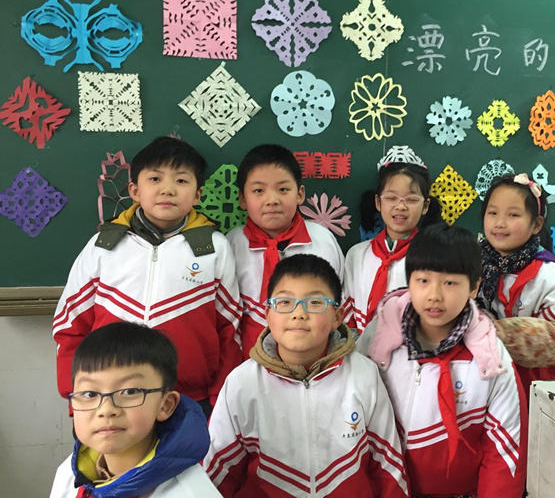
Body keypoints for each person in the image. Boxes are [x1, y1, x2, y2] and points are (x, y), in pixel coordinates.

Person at [52, 136, 241, 417]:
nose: (168, 189)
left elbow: (230, 331)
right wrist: (80, 397)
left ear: (198, 194)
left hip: (193, 401)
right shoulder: (103, 246)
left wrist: (220, 400)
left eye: (181, 180)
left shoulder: (214, 248)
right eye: (155, 179)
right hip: (110, 401)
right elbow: (70, 327)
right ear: (134, 190)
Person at [204, 254, 408, 497]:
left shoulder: (364, 375)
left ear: (337, 317)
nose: (298, 313)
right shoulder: (241, 383)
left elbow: (387, 465)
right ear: (268, 315)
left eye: (315, 302)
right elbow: (217, 473)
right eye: (284, 302)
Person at [359, 223, 526, 496]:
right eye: (423, 281)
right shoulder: (377, 341)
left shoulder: (490, 357)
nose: (434, 295)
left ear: (474, 287)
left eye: (449, 283)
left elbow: (503, 451)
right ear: (409, 281)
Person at [50, 322, 221, 497]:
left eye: (129, 392)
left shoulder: (190, 493)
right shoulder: (69, 475)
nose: (106, 409)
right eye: (89, 394)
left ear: (165, 405)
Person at [228, 144, 344, 356]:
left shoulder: (322, 240)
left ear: (300, 194)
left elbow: (339, 303)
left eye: (283, 189)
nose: (272, 200)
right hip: (247, 360)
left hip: (315, 360)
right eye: (258, 191)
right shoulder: (231, 245)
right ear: (243, 199)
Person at [478, 173, 555, 396]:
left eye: (513, 214)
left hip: (531, 395)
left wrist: (488, 333)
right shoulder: (470, 267)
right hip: (479, 392)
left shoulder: (553, 277)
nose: (499, 223)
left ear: (536, 224)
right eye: (492, 212)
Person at [342, 146, 439, 333]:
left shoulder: (434, 257)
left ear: (426, 206)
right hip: (362, 345)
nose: (400, 206)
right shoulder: (357, 254)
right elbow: (348, 313)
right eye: (392, 198)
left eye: (411, 200)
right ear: (378, 202)